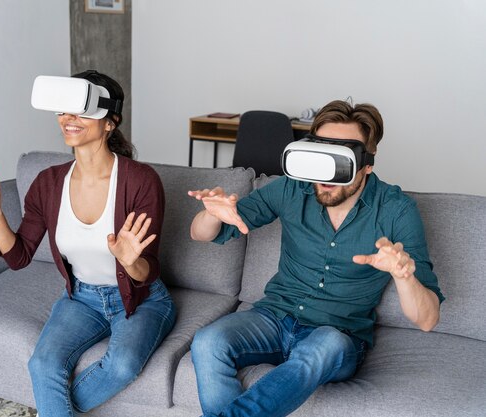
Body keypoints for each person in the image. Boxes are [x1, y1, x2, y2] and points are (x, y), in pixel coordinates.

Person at [187, 100, 444, 417]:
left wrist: (404, 277)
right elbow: (203, 234)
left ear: (366, 164)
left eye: (342, 158)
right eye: (322, 152)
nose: (328, 173)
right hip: (273, 316)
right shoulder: (292, 189)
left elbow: (428, 318)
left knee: (324, 347)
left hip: (336, 335)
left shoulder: (396, 209)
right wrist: (211, 214)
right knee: (207, 342)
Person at [0, 70, 176, 417]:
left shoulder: (140, 180)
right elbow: (18, 258)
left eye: (80, 110)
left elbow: (145, 274)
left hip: (142, 301)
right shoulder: (48, 182)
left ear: (110, 122)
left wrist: (128, 259)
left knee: (122, 365)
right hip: (82, 298)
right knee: (43, 365)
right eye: (62, 110)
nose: (67, 119)